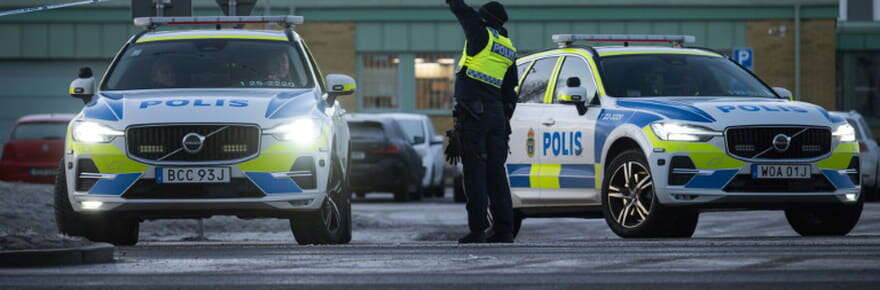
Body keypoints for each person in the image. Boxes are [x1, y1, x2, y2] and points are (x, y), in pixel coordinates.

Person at [445, 0, 518, 244]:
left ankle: (477, 230)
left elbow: (460, 9)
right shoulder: (508, 47)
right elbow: (510, 93)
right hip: (497, 115)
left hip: (473, 113)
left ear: (484, 18)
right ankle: (504, 230)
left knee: (474, 174)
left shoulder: (480, 34)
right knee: (496, 174)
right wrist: (504, 121)